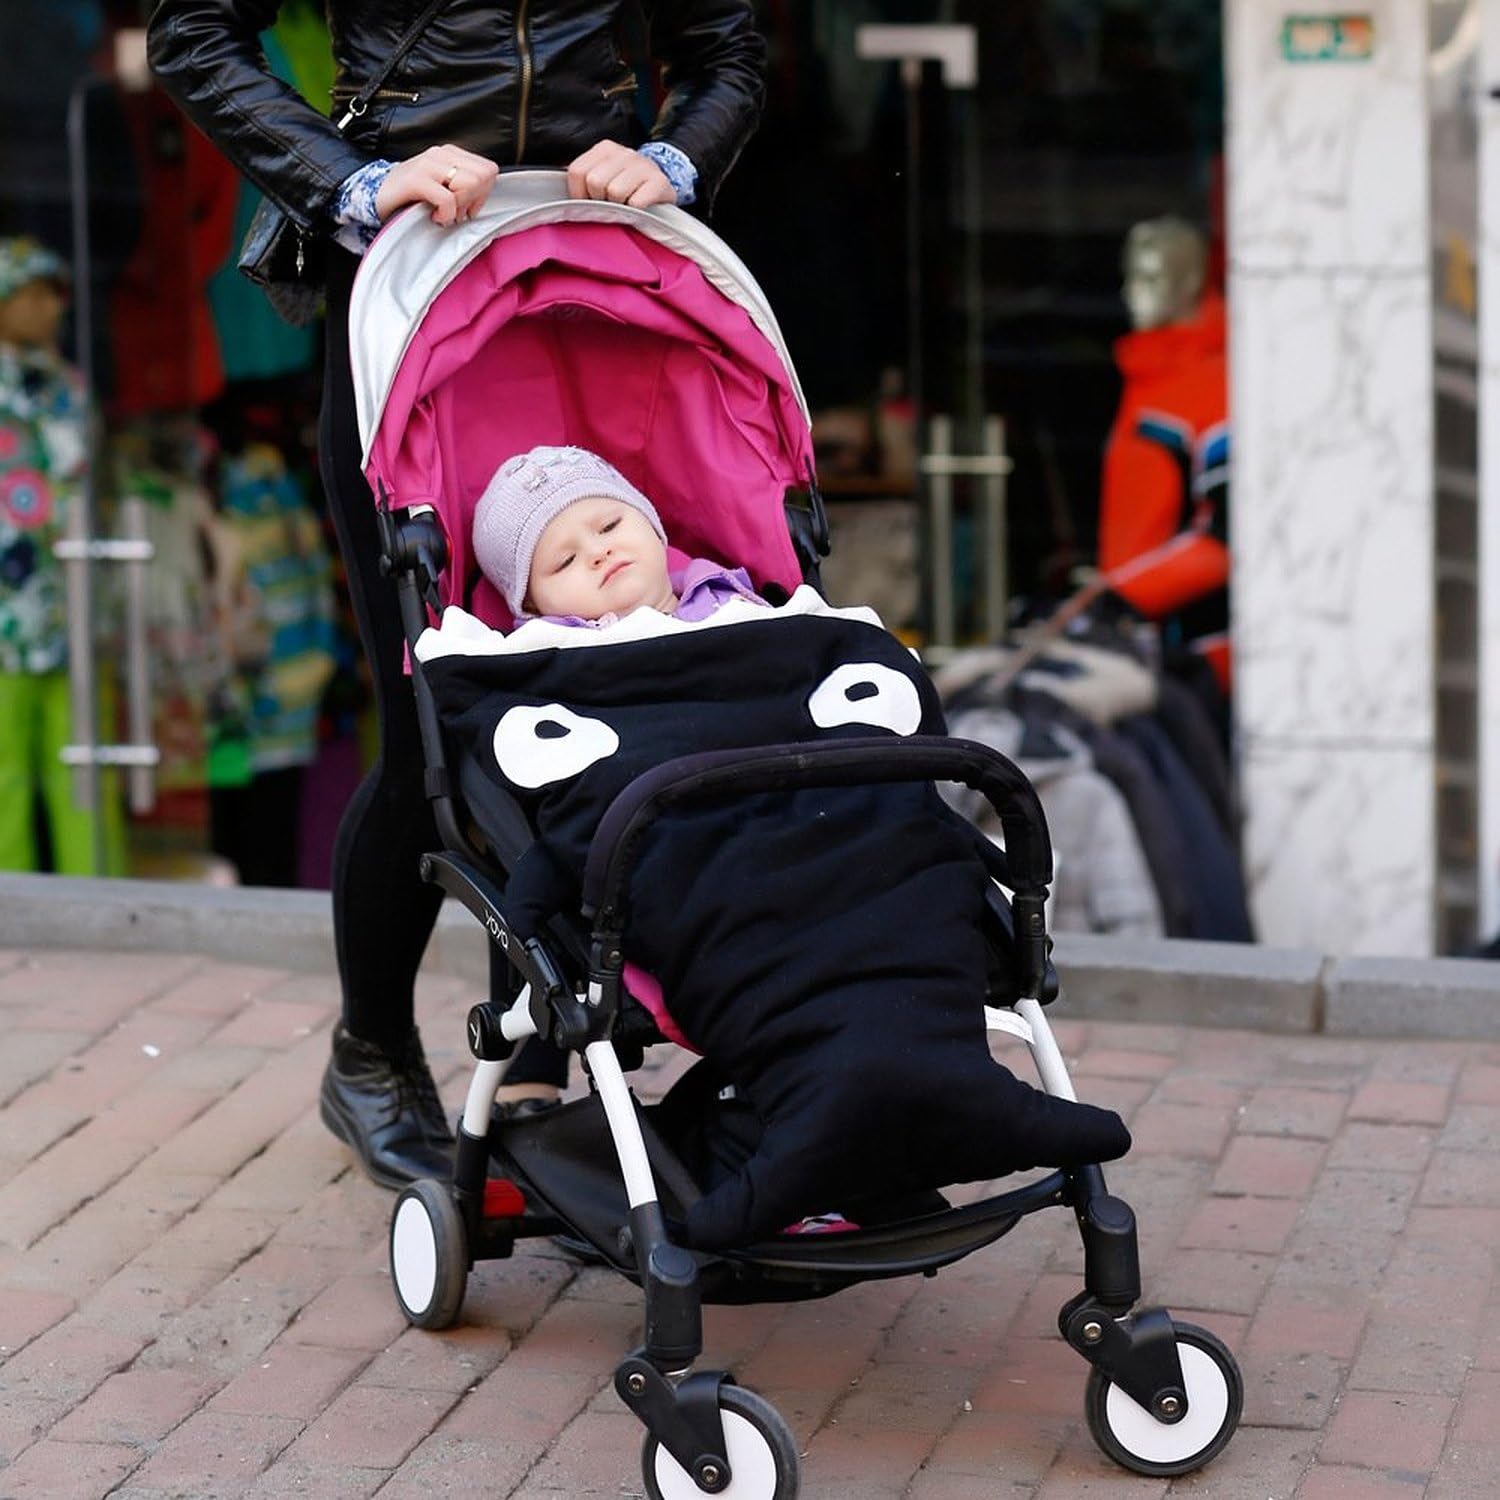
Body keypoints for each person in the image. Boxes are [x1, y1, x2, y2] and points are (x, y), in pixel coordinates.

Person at [147, 2, 769, 1189]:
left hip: (602, 280)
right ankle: (370, 1053)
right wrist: (350, 179)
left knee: (604, 669)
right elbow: (193, 31)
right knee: (432, 711)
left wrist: (672, 157)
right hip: (405, 285)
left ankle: (540, 1050)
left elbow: (729, 46)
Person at [0, 237, 126, 876]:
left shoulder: (68, 386)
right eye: (31, 293)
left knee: (86, 770)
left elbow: (94, 485)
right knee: (4, 779)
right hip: (5, 620)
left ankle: (103, 904)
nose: (49, 306)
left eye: (53, 292)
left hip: (74, 608)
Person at [474, 444, 768, 627]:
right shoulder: (549, 653)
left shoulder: (730, 598)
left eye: (609, 526)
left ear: (653, 527)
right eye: (566, 560)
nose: (598, 552)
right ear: (531, 606)